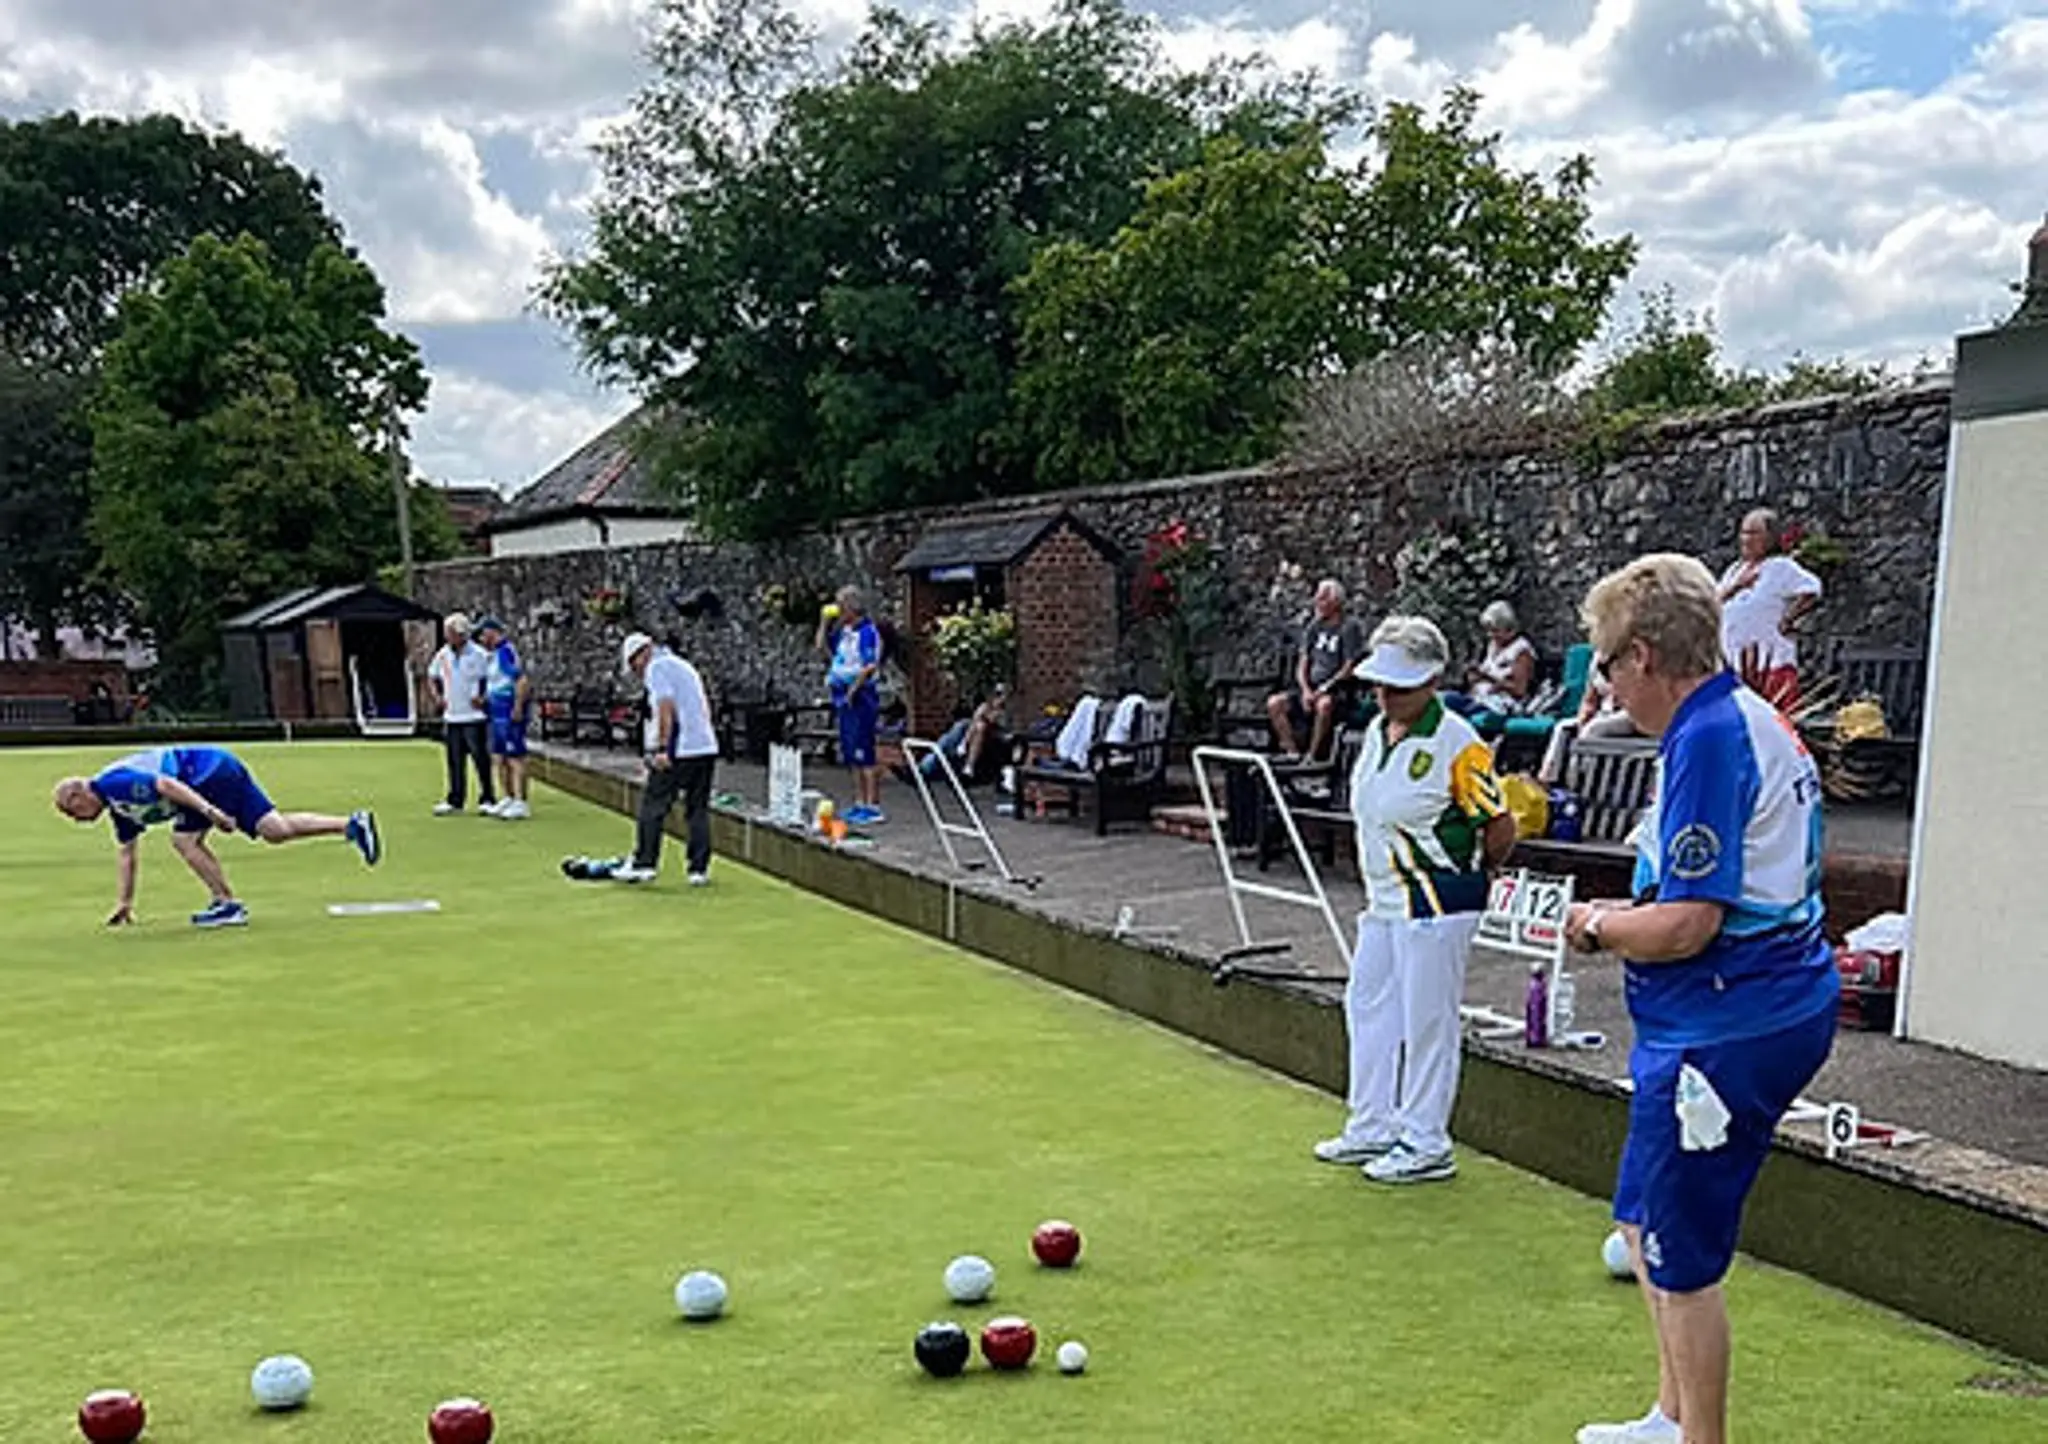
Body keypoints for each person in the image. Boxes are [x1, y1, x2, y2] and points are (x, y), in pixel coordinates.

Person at [1562, 554, 1838, 1444]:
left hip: (1730, 1019)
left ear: (1642, 656)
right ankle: (1668, 1417)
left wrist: (1598, 923)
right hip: (1730, 1008)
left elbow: (1686, 925)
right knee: (1643, 1217)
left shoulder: (1710, 738)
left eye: (1605, 666)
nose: (1604, 688)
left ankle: (1699, 1441)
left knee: (1680, 1253)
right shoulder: (1733, 718)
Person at [1314, 616, 1516, 1184]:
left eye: (1398, 685)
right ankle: (1371, 1123)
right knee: (1367, 1004)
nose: (1385, 694)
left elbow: (1499, 826)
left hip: (1437, 900)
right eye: (1380, 683)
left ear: (1430, 681)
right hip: (1382, 898)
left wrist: (1467, 875)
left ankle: (1425, 1140)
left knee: (1427, 1019)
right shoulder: (1377, 732)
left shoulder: (1459, 743)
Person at [52, 746, 381, 928]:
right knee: (275, 830)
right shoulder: (119, 810)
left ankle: (227, 904)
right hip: (221, 764)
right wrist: (124, 903)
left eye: (72, 812)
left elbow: (168, 786)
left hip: (203, 774)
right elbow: (127, 853)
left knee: (184, 841)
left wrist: (210, 812)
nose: (77, 820)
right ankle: (351, 825)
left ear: (80, 795)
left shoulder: (113, 784)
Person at [612, 631, 719, 886]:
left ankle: (644, 863)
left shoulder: (657, 668)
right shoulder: (683, 665)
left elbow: (665, 708)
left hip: (680, 749)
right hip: (705, 747)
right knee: (697, 809)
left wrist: (662, 749)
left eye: (633, 664)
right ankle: (698, 869)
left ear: (642, 653)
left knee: (653, 804)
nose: (636, 672)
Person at [1717, 508, 1821, 712]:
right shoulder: (1734, 570)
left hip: (1771, 663)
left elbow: (1812, 589)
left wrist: (1789, 619)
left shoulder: (1781, 567)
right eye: (1744, 533)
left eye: (1754, 533)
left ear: (1771, 538)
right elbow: (1713, 601)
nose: (1746, 539)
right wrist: (1737, 586)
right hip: (1735, 663)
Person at [1266, 579, 1366, 761]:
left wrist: (1324, 689)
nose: (1317, 603)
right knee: (1275, 703)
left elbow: (1349, 667)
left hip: (1336, 691)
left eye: (1322, 599)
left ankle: (1313, 755)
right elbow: (1303, 663)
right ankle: (1291, 752)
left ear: (1335, 602)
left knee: (1324, 705)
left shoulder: (1350, 627)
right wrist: (1305, 690)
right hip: (1309, 688)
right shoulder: (1314, 627)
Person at [815, 586, 885, 825]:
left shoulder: (867, 632)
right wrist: (824, 624)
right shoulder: (844, 632)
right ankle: (859, 801)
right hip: (842, 696)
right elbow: (822, 649)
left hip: (860, 697)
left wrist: (853, 690)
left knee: (865, 751)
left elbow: (869, 665)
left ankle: (873, 804)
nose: (838, 610)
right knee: (851, 752)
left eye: (841, 605)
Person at [428, 612, 494, 815]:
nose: (447, 637)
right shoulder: (442, 654)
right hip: (452, 715)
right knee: (454, 761)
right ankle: (455, 800)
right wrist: (437, 697)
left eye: (451, 633)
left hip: (474, 717)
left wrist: (484, 698)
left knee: (480, 759)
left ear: (462, 634)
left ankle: (488, 798)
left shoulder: (480, 655)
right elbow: (432, 676)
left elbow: (491, 680)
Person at [1538, 669, 1641, 787]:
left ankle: (1577, 781)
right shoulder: (1597, 661)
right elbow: (1589, 698)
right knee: (1563, 727)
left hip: (1630, 713)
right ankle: (1547, 779)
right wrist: (1584, 716)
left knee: (1592, 729)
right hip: (1604, 713)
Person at [475, 616, 532, 820]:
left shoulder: (506, 651)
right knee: (499, 756)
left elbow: (521, 680)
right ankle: (507, 796)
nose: (481, 639)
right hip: (496, 711)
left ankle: (520, 801)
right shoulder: (493, 655)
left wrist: (518, 706)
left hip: (508, 711)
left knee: (514, 756)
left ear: (492, 632)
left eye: (483, 634)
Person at [1443, 600, 1538, 718]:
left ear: (1508, 628)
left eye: (1495, 630)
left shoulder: (1521, 650)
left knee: (1459, 712)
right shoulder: (1492, 646)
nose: (1490, 635)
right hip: (1479, 697)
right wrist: (1473, 677)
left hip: (1501, 704)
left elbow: (1519, 690)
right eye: (1488, 630)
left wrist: (1489, 679)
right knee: (1445, 698)